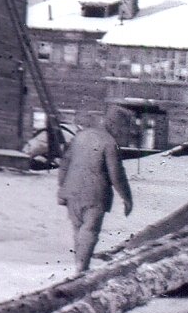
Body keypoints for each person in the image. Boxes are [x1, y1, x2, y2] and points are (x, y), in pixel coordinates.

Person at [57, 106, 134, 272]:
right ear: (113, 125)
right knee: (90, 231)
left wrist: (62, 188)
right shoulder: (109, 143)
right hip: (95, 194)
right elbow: (116, 174)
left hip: (72, 192)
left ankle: (79, 266)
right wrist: (127, 198)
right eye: (122, 128)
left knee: (79, 231)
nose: (122, 133)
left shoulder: (80, 136)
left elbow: (64, 163)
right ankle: (81, 269)